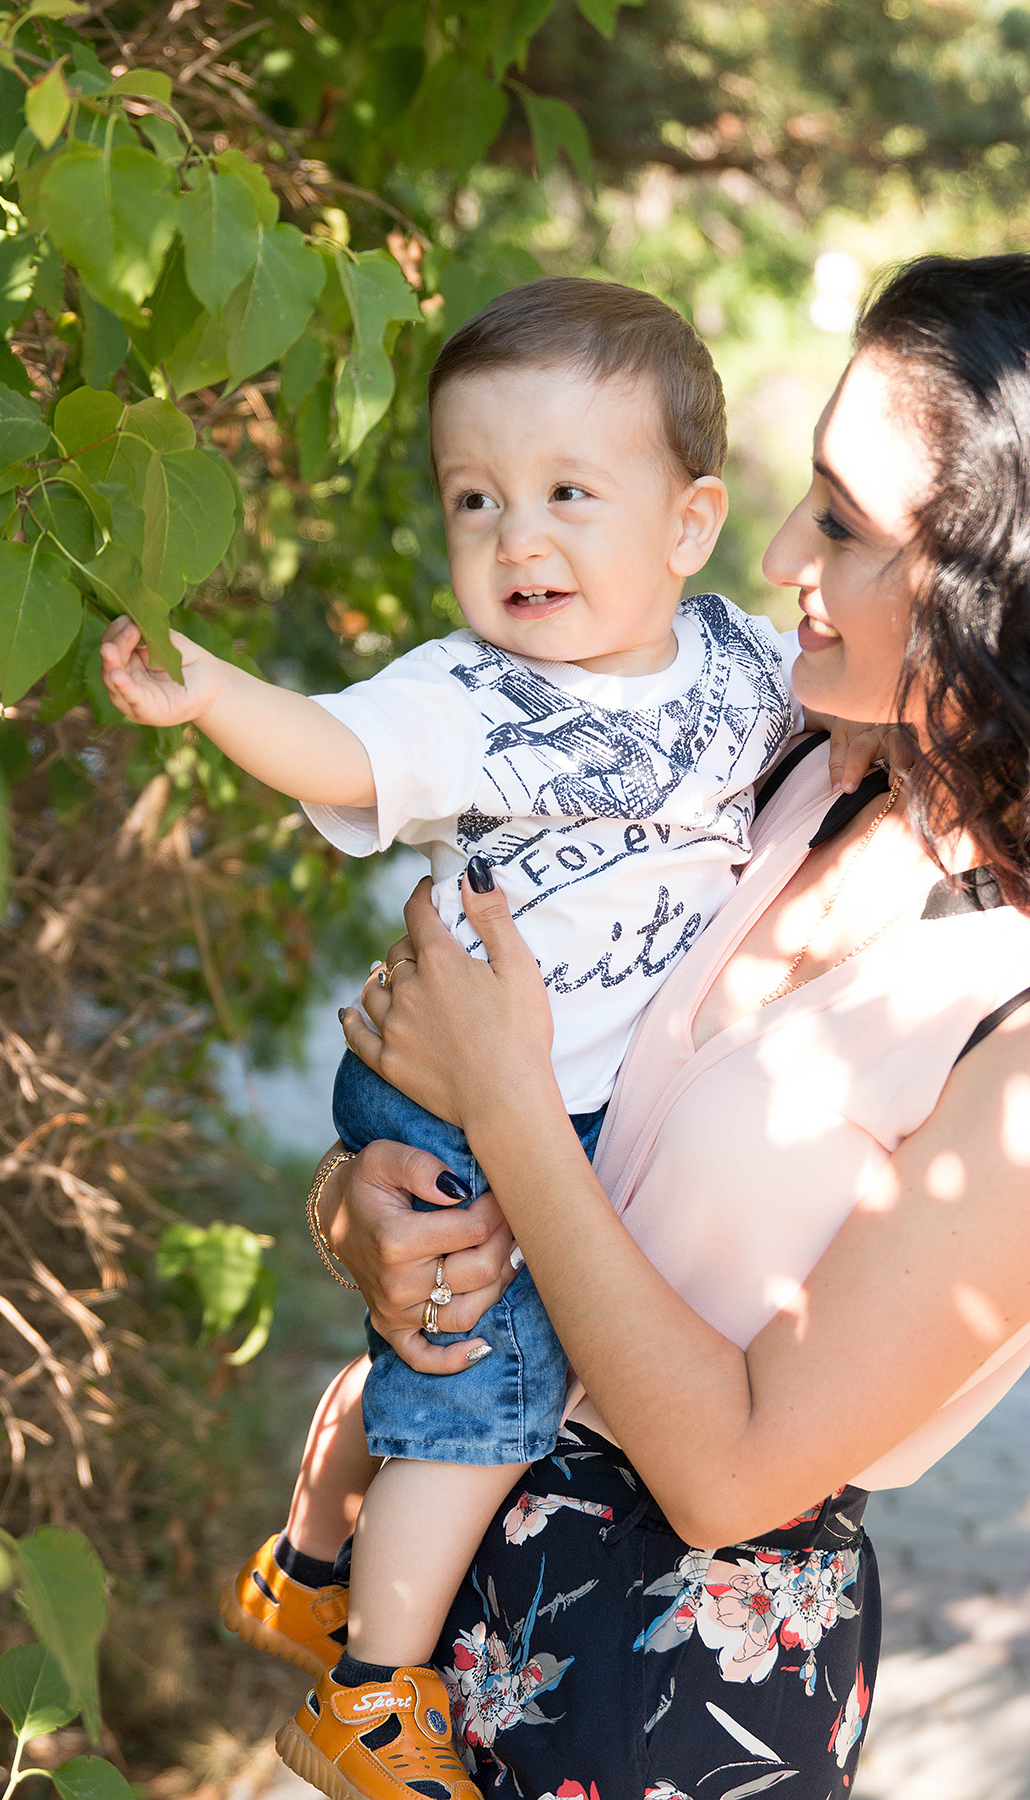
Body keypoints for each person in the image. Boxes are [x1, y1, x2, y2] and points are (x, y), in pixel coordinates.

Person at [102, 279, 869, 1800]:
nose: (519, 540)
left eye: (570, 494)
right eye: (476, 499)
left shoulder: (740, 670)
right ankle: (370, 1690)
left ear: (691, 522)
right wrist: (213, 695)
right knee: (482, 1391)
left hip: (555, 1107)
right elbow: (342, 746)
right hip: (469, 1098)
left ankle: (310, 1562)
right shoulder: (467, 694)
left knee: (447, 1349)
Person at [281, 251, 1030, 1799]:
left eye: (842, 523)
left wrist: (504, 1111)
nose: (778, 551)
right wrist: (365, 1214)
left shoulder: (1010, 1027)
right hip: (433, 1600)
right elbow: (528, 1095)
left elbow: (728, 1476)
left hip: (672, 1693)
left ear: (993, 595)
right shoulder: (792, 774)